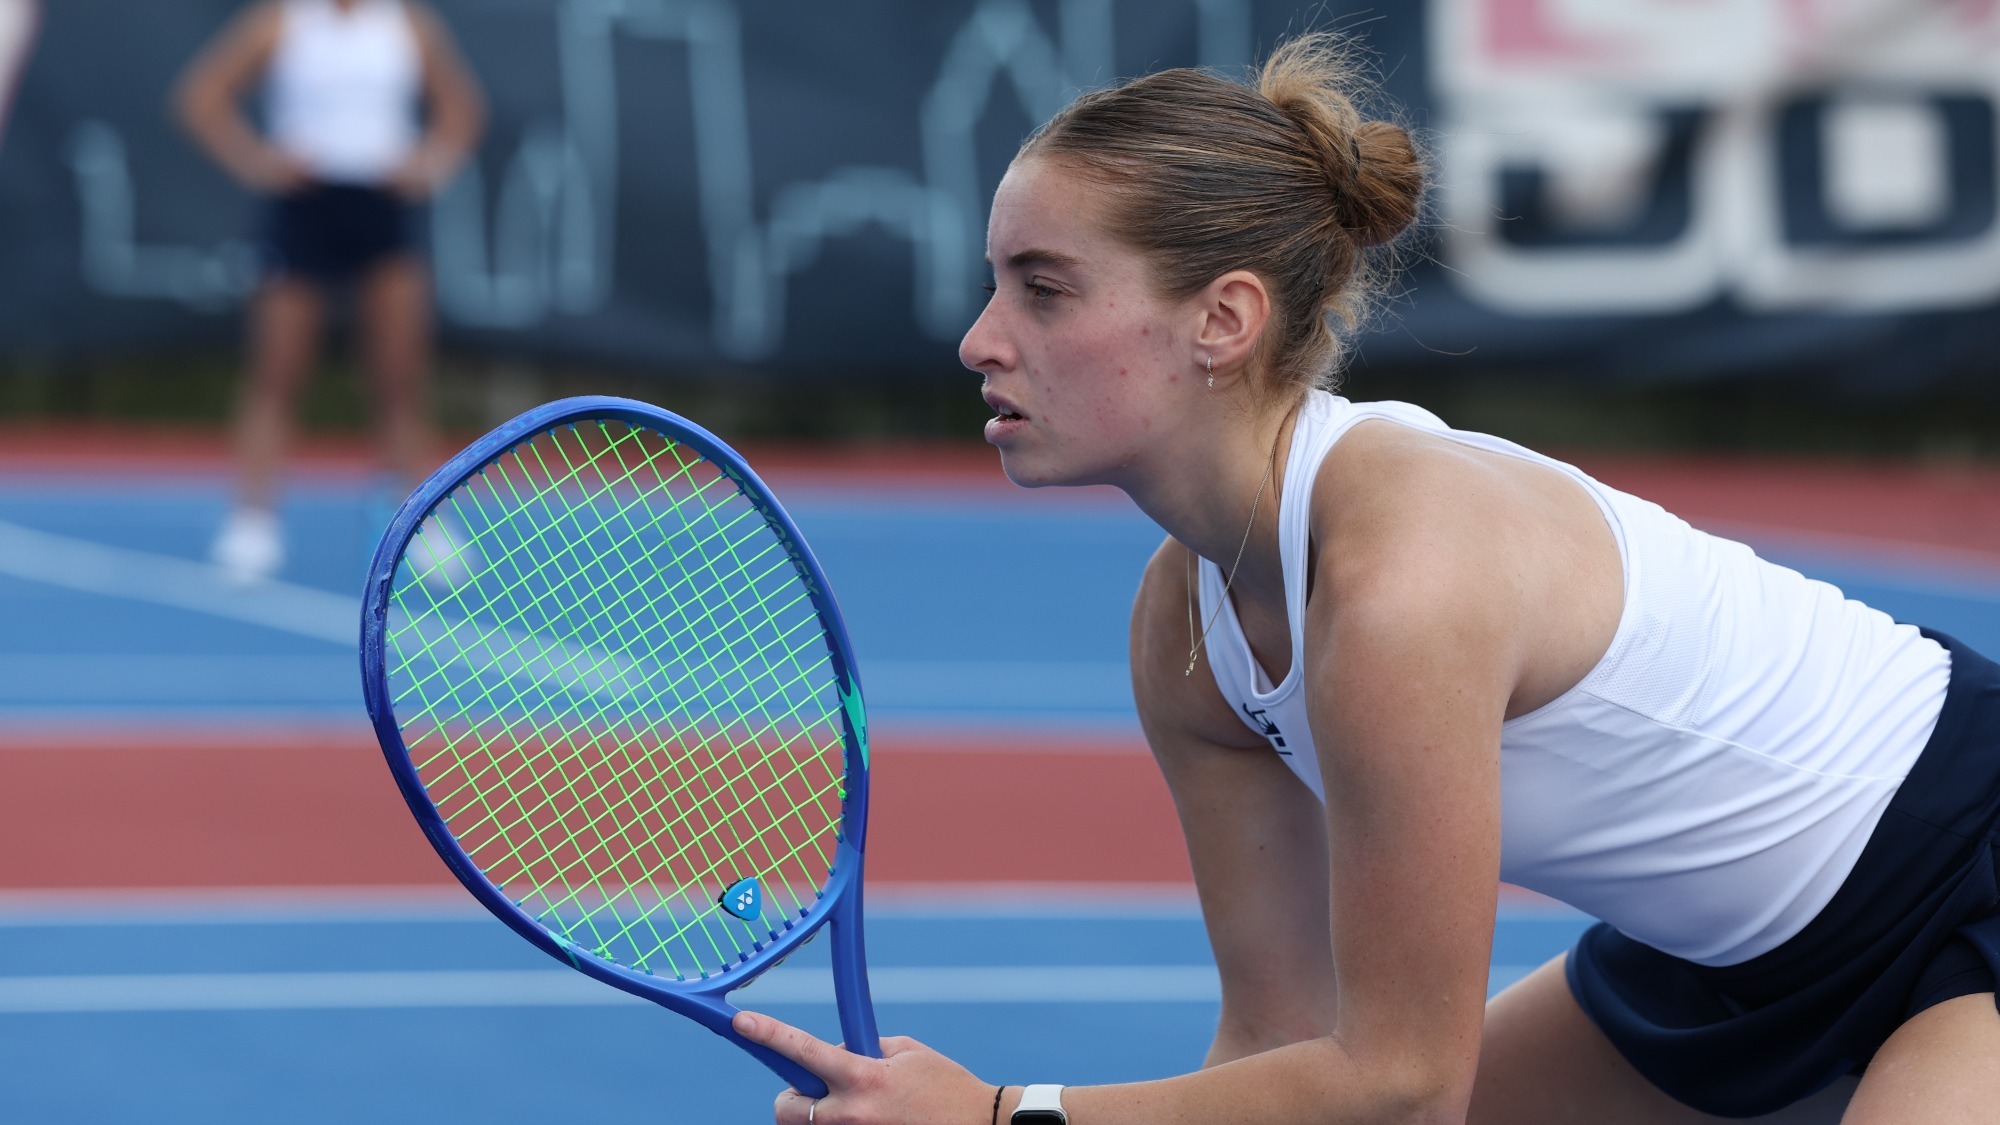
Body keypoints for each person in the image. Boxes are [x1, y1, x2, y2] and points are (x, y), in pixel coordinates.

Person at [730, 31, 2000, 1125]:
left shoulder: (1401, 579)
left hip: (1967, 870)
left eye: (1044, 290)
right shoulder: (1184, 633)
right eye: (995, 286)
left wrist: (1008, 1115)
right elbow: (1277, 1041)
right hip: (1717, 968)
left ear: (1222, 321)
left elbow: (1402, 1086)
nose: (978, 340)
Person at [175, 0, 483, 582]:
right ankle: (253, 523)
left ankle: (422, 524)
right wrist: (259, 161)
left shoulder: (406, 23)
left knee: (400, 379)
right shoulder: (282, 19)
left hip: (382, 209)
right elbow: (201, 95)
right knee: (277, 375)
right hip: (305, 208)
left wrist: (431, 163)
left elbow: (461, 106)